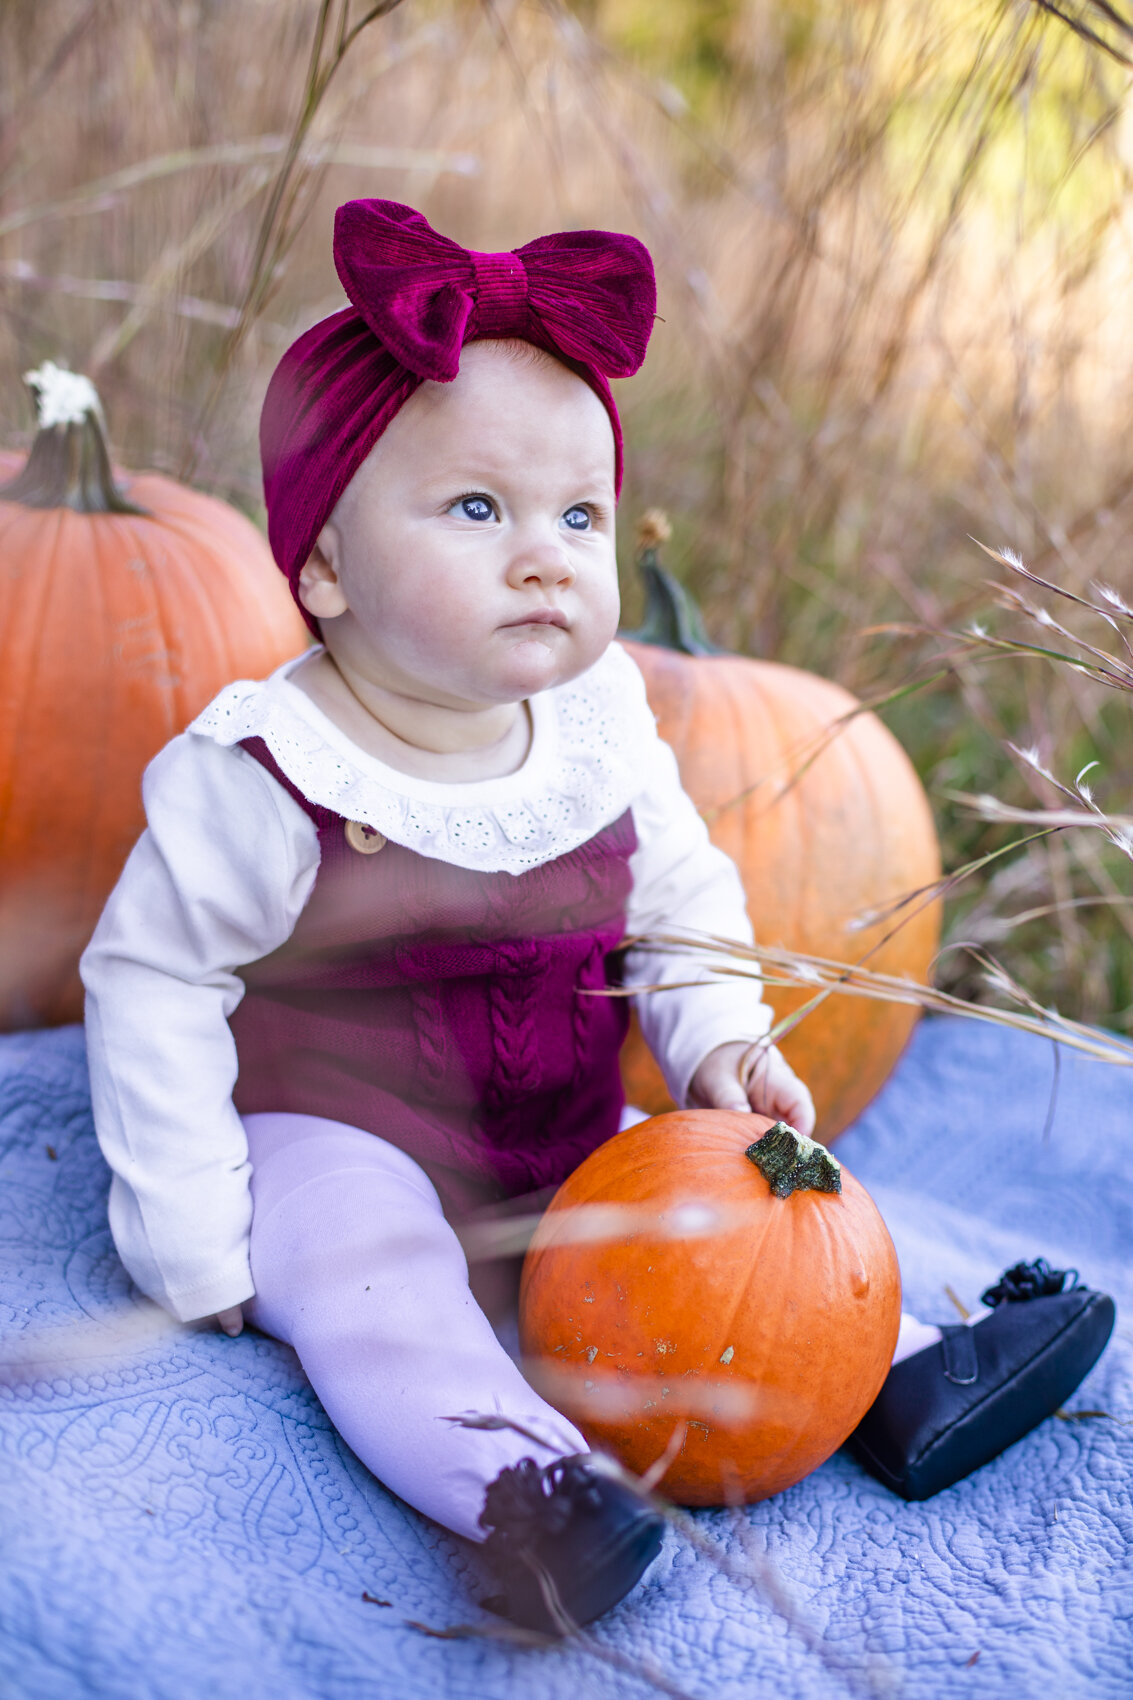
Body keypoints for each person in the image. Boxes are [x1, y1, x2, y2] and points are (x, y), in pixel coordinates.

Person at [80, 200, 1114, 1637]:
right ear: (322, 567)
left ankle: (911, 1369)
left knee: (717, 1234)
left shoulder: (594, 723)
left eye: (579, 515)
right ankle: (531, 1495)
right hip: (344, 1139)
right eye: (475, 510)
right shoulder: (268, 774)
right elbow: (153, 979)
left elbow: (677, 895)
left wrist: (718, 1044)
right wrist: (188, 1222)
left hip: (566, 1132)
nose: (544, 556)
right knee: (368, 1284)